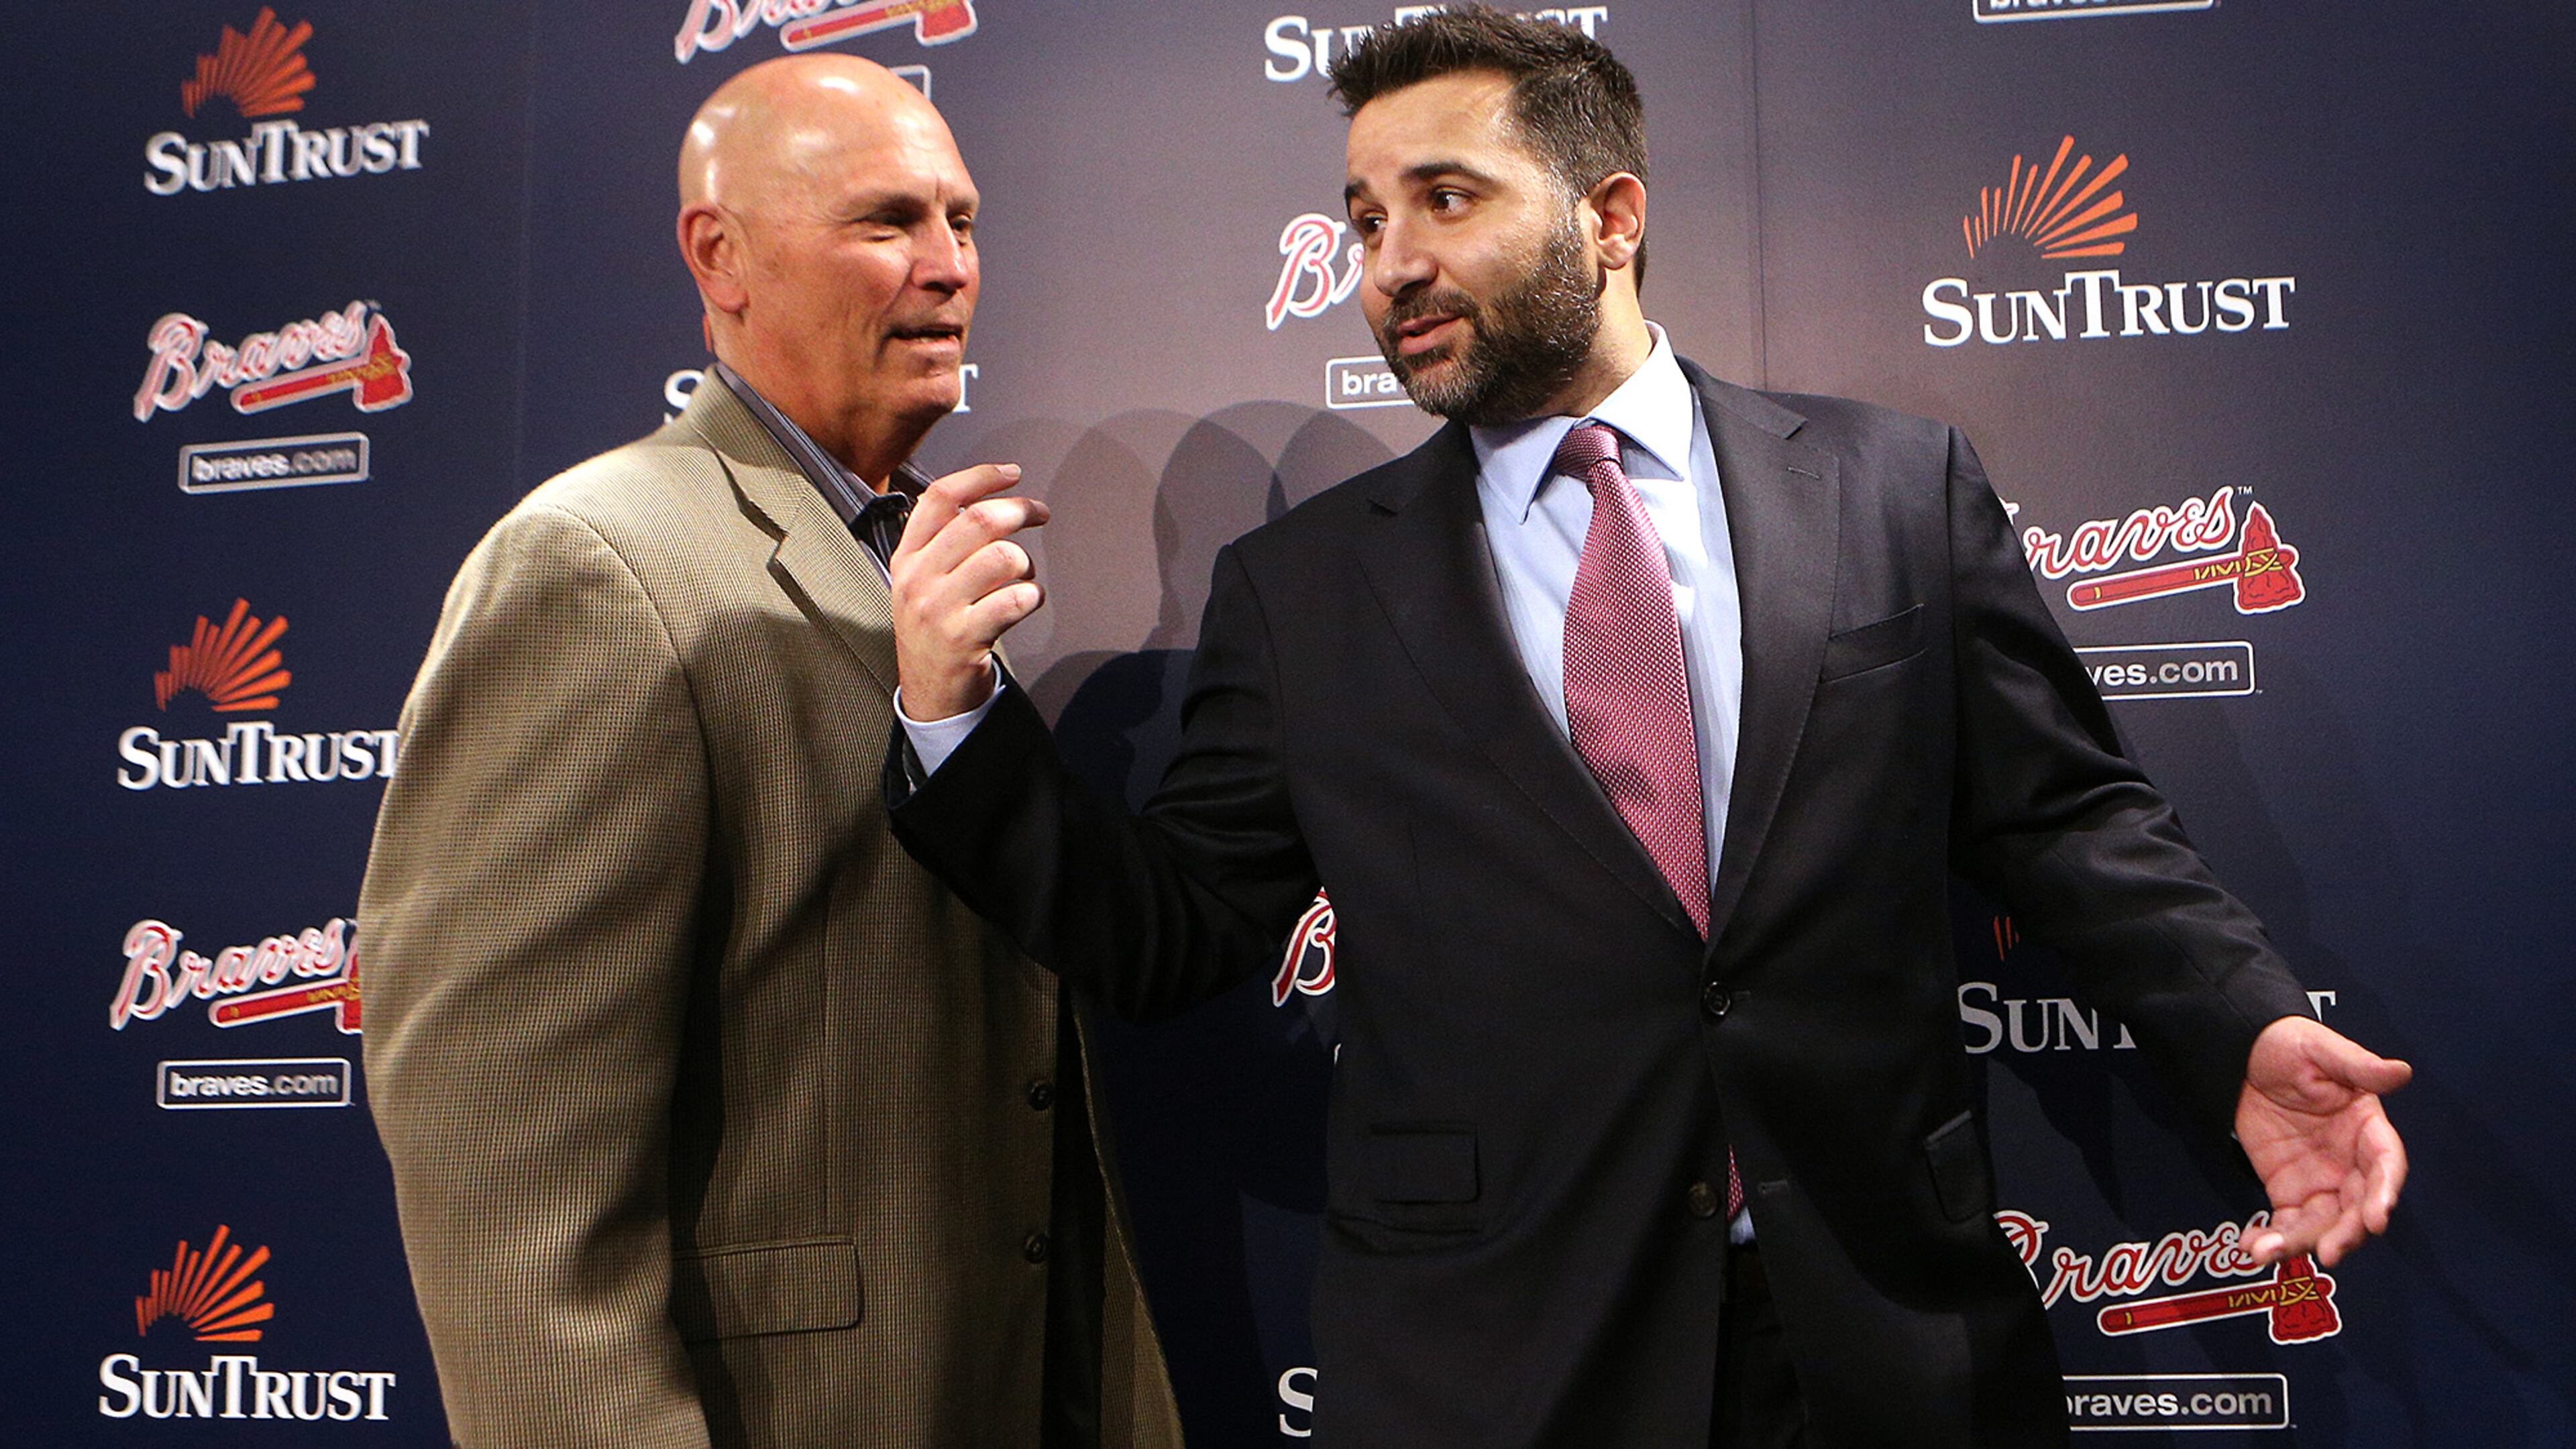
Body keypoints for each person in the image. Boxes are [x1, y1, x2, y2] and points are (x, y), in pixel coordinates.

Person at [883, 10, 2408, 1448]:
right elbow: (1172, 932)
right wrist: (955, 723)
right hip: (1497, 1361)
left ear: (1610, 218)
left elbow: (2067, 819)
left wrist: (2238, 1022)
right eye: (1364, 220)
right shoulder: (1304, 590)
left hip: (1881, 1333)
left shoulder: (1894, 489)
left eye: (1445, 200)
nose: (1392, 265)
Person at [358, 55, 1180, 1449]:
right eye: (887, 222)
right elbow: (503, 1163)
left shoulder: (902, 552)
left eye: (962, 222)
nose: (948, 267)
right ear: (720, 257)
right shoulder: (598, 565)